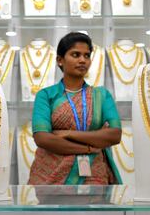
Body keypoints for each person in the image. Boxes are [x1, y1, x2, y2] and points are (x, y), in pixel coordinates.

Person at [28, 32, 122, 185]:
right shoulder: (46, 95)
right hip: (51, 176)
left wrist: (67, 133)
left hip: (94, 176)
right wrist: (90, 148)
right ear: (60, 60)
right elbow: (42, 138)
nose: (82, 60)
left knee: (94, 208)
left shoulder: (102, 95)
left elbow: (114, 135)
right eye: (75, 54)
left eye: (86, 56)